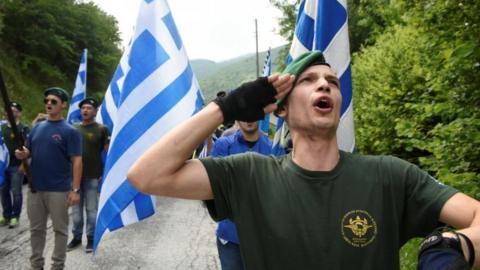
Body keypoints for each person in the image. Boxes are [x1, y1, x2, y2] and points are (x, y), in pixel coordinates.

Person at [127, 51, 479, 269]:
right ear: (281, 109)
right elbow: (146, 175)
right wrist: (226, 108)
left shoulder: (390, 175)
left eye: (332, 82)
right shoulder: (248, 173)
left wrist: (455, 246)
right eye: (309, 81)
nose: (324, 86)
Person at [15, 87, 82, 270]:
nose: (49, 104)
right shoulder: (37, 128)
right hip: (35, 188)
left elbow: (77, 161)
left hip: (59, 190)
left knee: (60, 230)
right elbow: (28, 151)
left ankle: (57, 265)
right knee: (36, 230)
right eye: (47, 101)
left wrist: (75, 190)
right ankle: (36, 265)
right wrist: (22, 154)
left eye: (53, 101)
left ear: (63, 105)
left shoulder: (70, 131)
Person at [210, 120, 275, 270]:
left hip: (262, 238)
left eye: (253, 113)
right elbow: (215, 186)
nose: (248, 118)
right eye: (244, 113)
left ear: (260, 116)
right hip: (231, 236)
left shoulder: (273, 148)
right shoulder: (223, 144)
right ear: (238, 118)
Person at [67, 97, 109, 253]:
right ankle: (76, 238)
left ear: (95, 111)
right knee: (76, 211)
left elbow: (107, 153)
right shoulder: (73, 129)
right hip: (74, 178)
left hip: (93, 177)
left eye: (89, 108)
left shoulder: (102, 129)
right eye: (83, 108)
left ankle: (90, 239)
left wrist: (105, 173)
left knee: (91, 210)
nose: (85, 110)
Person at [0, 102, 29, 228]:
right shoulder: (1, 128)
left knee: (16, 192)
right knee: (3, 191)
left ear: (19, 113)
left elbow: (28, 147)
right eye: (9, 110)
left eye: (14, 110)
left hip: (17, 166)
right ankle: (6, 215)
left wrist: (24, 164)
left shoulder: (23, 128)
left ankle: (15, 216)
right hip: (2, 166)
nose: (11, 112)